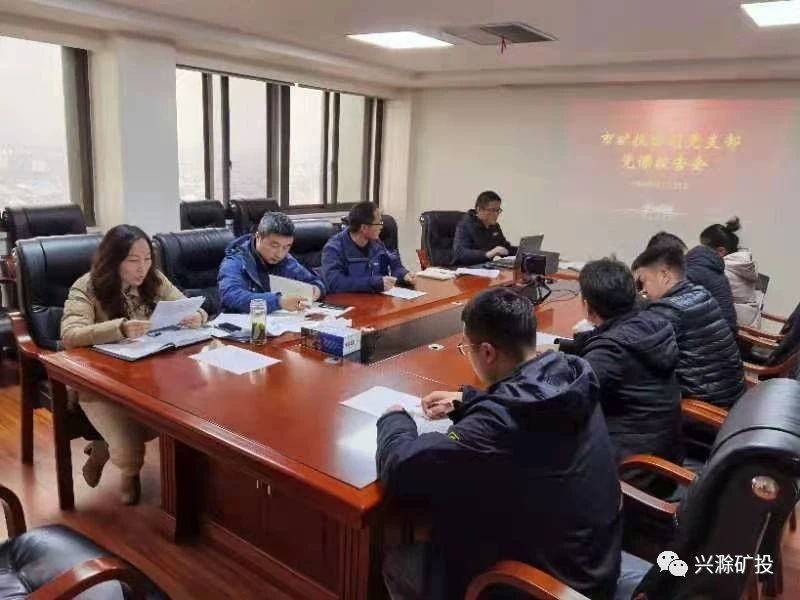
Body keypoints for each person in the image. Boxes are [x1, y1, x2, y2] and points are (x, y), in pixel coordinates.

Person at [377, 287, 622, 600]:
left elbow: (401, 467)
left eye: (466, 348)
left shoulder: (497, 426)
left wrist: (395, 420)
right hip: (594, 563)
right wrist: (469, 400)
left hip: (544, 587)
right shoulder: (571, 376)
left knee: (400, 564)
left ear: (488, 353)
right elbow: (523, 403)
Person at [61, 225, 207, 504]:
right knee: (130, 452)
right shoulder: (87, 286)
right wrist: (119, 329)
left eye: (148, 259)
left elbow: (189, 305)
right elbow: (70, 335)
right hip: (100, 381)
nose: (143, 268)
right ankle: (125, 468)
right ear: (113, 260)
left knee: (184, 419)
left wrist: (197, 316)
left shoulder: (154, 279)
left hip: (148, 375)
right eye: (133, 260)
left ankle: (103, 447)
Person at [559, 259, 682, 467]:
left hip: (632, 467)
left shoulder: (611, 352)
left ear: (588, 307)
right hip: (663, 451)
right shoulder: (654, 323)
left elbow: (565, 406)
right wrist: (570, 347)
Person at [632, 243, 745, 408]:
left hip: (704, 407)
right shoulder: (701, 294)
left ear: (664, 275)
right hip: (731, 395)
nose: (644, 291)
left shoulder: (669, 311)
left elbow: (638, 356)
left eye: (644, 282)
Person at [218, 211, 326, 313]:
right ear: (258, 237)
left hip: (277, 322)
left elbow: (314, 281)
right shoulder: (234, 261)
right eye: (274, 246)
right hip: (241, 323)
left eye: (286, 247)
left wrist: (316, 290)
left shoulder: (286, 260)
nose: (280, 254)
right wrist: (278, 301)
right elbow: (231, 296)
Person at [646, 230, 738, 331]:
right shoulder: (702, 264)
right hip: (725, 331)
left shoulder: (691, 272)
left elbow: (663, 309)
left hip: (714, 334)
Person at [321, 202, 415, 293]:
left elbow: (395, 265)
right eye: (378, 223)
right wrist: (372, 283)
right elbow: (334, 283)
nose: (381, 227)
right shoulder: (334, 248)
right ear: (364, 228)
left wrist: (404, 274)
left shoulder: (377, 242)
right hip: (349, 300)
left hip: (378, 299)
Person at [700, 217, 761, 327]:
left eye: (704, 250)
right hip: (750, 321)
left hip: (737, 327)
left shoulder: (724, 269)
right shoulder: (740, 264)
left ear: (721, 251)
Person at [452, 190, 517, 266]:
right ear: (479, 209)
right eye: (492, 210)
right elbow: (460, 253)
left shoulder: (494, 226)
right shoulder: (465, 225)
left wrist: (522, 251)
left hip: (488, 266)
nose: (496, 214)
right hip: (468, 268)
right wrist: (488, 254)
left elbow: (505, 247)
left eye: (498, 210)